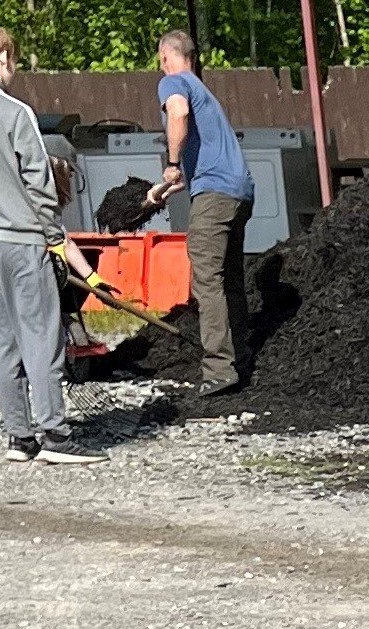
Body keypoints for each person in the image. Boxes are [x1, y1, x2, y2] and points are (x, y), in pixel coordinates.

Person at [0, 22, 104, 464]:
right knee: (40, 337)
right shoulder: (15, 112)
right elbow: (39, 183)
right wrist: (52, 236)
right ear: (3, 58)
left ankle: (19, 437)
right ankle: (54, 435)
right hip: (22, 239)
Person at [155, 30, 253, 393]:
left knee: (207, 280)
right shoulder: (206, 93)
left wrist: (172, 161)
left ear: (166, 56)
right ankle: (239, 354)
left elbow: (177, 114)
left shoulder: (174, 83)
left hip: (214, 194)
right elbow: (210, 148)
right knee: (230, 278)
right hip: (239, 191)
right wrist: (177, 181)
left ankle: (218, 370)